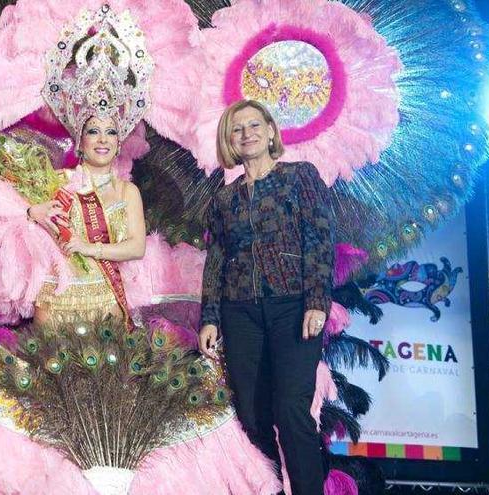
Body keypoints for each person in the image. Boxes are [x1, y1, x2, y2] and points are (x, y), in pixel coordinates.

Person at [198, 99, 334, 495]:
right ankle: (270, 488)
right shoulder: (224, 200)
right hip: (240, 313)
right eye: (238, 129)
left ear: (271, 131)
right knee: (253, 416)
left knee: (292, 410)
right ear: (230, 140)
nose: (247, 134)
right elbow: (216, 260)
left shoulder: (299, 177)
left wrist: (316, 300)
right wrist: (210, 316)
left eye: (255, 125)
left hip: (293, 306)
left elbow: (320, 238)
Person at [27, 114, 147, 326]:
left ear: (118, 143)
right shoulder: (57, 181)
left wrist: (89, 248)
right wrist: (31, 212)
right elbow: (9, 218)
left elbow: (137, 247)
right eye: (93, 131)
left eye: (111, 132)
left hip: (105, 300)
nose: (103, 139)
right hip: (55, 301)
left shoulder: (127, 191)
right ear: (80, 141)